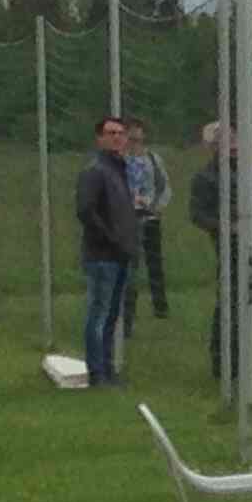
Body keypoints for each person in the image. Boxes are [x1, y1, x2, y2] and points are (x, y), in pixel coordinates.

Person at [189, 121, 252, 385]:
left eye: (234, 138)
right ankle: (223, 361)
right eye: (224, 141)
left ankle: (246, 357)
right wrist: (226, 227)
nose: (231, 145)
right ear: (212, 147)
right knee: (231, 301)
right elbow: (198, 214)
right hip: (230, 246)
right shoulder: (206, 178)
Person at [72, 116, 134, 384]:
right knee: (99, 313)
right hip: (102, 256)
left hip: (120, 254)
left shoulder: (120, 169)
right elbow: (86, 210)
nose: (117, 137)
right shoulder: (95, 171)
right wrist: (111, 239)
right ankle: (97, 371)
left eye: (121, 133)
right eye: (111, 133)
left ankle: (108, 368)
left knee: (111, 316)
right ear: (100, 138)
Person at [121, 116, 172, 330]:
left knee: (154, 262)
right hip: (126, 219)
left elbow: (164, 186)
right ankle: (128, 313)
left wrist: (158, 206)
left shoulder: (152, 159)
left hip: (149, 217)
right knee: (130, 267)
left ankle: (161, 307)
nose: (135, 141)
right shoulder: (119, 159)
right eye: (130, 136)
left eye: (138, 137)